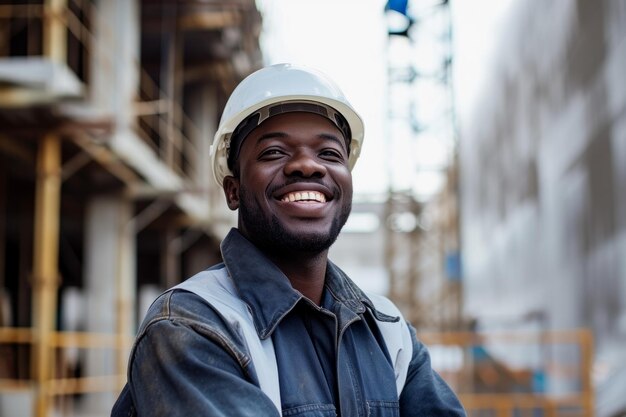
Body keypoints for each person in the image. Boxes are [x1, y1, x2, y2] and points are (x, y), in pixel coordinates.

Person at [111, 63, 466, 417]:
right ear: (233, 191)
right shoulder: (192, 327)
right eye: (274, 152)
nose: (307, 166)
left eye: (329, 153)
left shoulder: (389, 330)